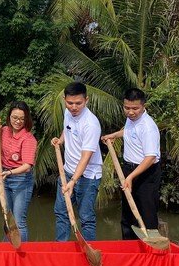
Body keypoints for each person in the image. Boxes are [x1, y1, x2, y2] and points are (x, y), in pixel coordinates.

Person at [101, 88, 162, 240]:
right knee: (128, 213)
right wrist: (114, 135)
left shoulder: (148, 127)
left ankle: (150, 246)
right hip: (129, 169)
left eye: (135, 108)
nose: (130, 112)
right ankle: (129, 245)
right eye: (127, 108)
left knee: (146, 212)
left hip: (146, 172)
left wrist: (131, 177)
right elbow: (129, 132)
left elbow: (150, 157)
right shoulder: (131, 119)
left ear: (143, 106)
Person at [51, 81, 103, 241]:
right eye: (70, 103)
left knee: (85, 217)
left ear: (86, 100)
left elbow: (86, 157)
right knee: (61, 212)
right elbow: (67, 128)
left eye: (78, 103)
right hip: (67, 171)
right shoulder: (68, 113)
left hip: (87, 176)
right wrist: (60, 140)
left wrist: (73, 181)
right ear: (65, 100)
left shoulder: (91, 124)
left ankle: (89, 250)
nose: (74, 107)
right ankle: (62, 247)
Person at [0, 101, 38, 241]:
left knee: (19, 221)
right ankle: (8, 247)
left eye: (21, 118)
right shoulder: (3, 131)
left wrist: (9, 173)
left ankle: (22, 250)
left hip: (21, 180)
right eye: (15, 117)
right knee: (7, 218)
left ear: (26, 119)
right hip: (4, 178)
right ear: (9, 116)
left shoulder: (28, 138)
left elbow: (27, 166)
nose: (18, 121)